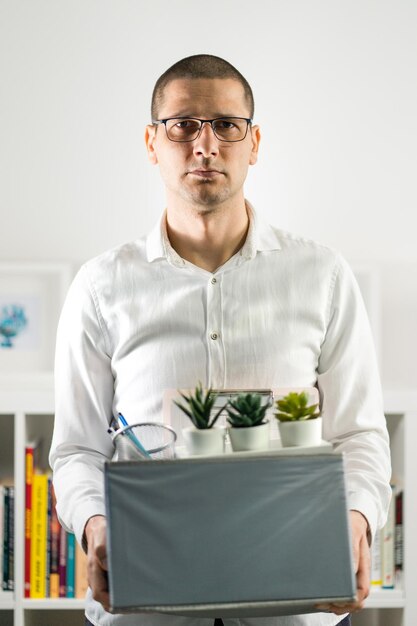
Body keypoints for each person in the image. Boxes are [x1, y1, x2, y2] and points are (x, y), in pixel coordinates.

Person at [50, 54, 391, 626]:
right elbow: (77, 450)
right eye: (182, 125)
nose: (204, 145)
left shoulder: (322, 274)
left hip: (294, 602)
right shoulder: (101, 285)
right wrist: (94, 524)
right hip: (147, 603)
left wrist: (355, 519)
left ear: (253, 143)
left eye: (226, 126)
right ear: (151, 142)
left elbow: (358, 434)